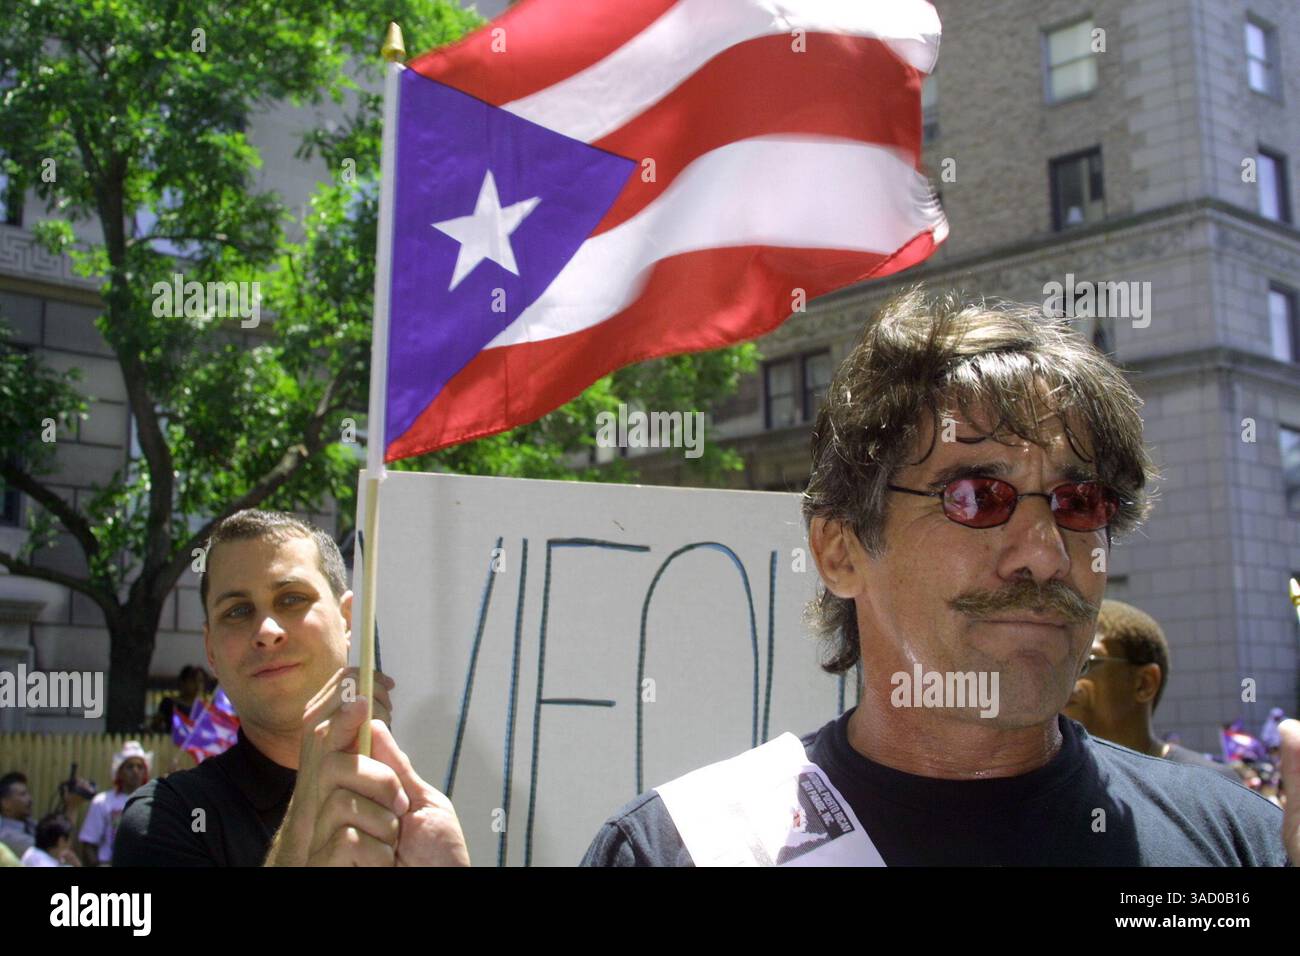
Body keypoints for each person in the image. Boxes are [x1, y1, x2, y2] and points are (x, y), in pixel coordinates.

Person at [580, 288, 1298, 866]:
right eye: (978, 496)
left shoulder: (1238, 844)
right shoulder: (681, 849)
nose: (1045, 555)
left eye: (1081, 503)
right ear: (840, 551)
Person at [114, 509, 469, 866]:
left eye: (291, 599)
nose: (267, 631)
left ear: (348, 620)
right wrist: (307, 817)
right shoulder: (164, 819)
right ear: (211, 650)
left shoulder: (447, 788)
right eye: (237, 611)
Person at [1063, 599, 1242, 784]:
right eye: (1061, 663)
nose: (1065, 678)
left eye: (1084, 664)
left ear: (1144, 683)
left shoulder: (1212, 786)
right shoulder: (1047, 788)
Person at [78, 741, 152, 865]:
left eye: (140, 767)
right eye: (130, 766)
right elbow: (89, 845)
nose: (135, 771)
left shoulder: (154, 802)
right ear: (119, 772)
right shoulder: (102, 802)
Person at [149, 665, 207, 734]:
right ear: (183, 682)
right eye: (193, 680)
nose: (198, 684)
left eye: (200, 681)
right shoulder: (169, 703)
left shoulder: (205, 708)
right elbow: (155, 726)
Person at [0, 771, 35, 858]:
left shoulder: (30, 823)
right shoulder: (6, 835)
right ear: (5, 803)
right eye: (23, 794)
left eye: (28, 794)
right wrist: (71, 809)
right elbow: (54, 851)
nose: (30, 799)